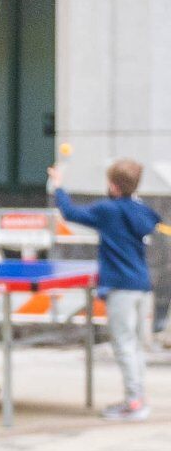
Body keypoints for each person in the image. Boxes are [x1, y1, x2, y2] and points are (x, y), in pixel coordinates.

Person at [50, 157, 159, 421]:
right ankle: (138, 398)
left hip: (121, 286)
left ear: (113, 186)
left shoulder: (108, 211)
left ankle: (134, 403)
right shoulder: (141, 209)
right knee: (133, 346)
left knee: (123, 345)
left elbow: (71, 213)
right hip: (141, 286)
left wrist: (58, 186)